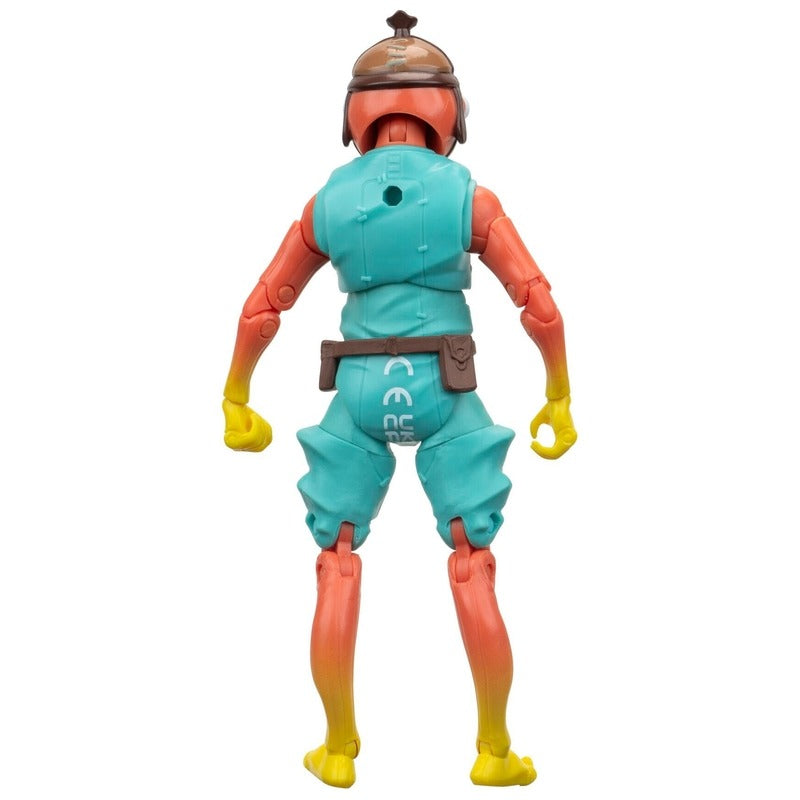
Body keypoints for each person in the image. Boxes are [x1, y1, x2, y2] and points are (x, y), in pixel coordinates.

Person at [222, 11, 577, 788]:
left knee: (337, 560)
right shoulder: (469, 199)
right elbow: (540, 307)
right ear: (449, 114)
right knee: (471, 563)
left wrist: (236, 395)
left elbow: (264, 307)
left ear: (356, 117)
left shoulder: (327, 203)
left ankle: (337, 747)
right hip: (446, 387)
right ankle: (494, 750)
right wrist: (558, 392)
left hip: (356, 391)